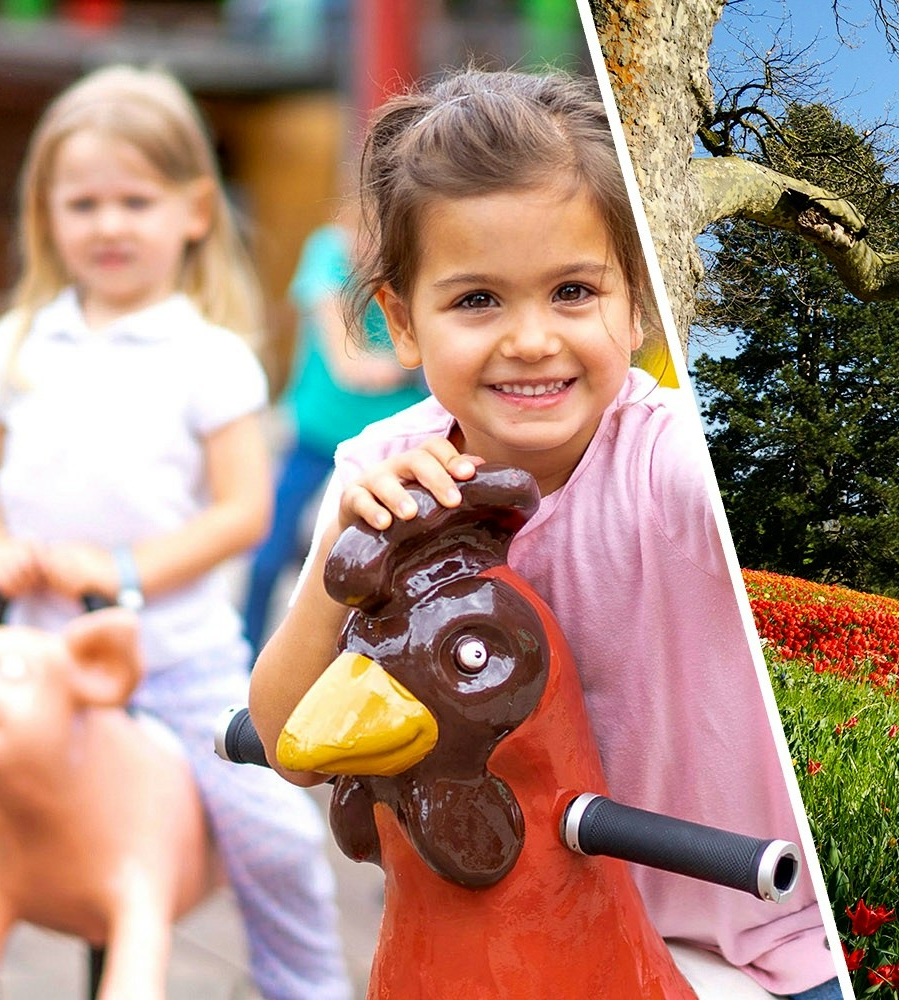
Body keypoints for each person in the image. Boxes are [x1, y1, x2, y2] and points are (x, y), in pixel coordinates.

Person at [247, 70, 846, 1000]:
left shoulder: (665, 464)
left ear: (636, 307)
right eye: (477, 300)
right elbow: (289, 739)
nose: (531, 339)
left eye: (573, 291)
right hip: (538, 932)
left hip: (758, 934)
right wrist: (346, 552)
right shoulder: (384, 469)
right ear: (402, 321)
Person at [0, 65, 351, 999]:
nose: (109, 224)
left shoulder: (211, 359)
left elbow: (241, 512)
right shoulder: (20, 344)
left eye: (135, 199)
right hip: (31, 664)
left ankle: (308, 988)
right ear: (48, 214)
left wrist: (120, 569)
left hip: (179, 664)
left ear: (194, 209)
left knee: (276, 841)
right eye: (83, 203)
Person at [240, 198, 425, 653]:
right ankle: (246, 659)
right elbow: (349, 365)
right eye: (358, 236)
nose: (364, 250)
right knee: (268, 557)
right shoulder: (327, 253)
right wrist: (412, 367)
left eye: (376, 242)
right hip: (318, 433)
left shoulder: (414, 266)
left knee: (385, 572)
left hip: (389, 447)